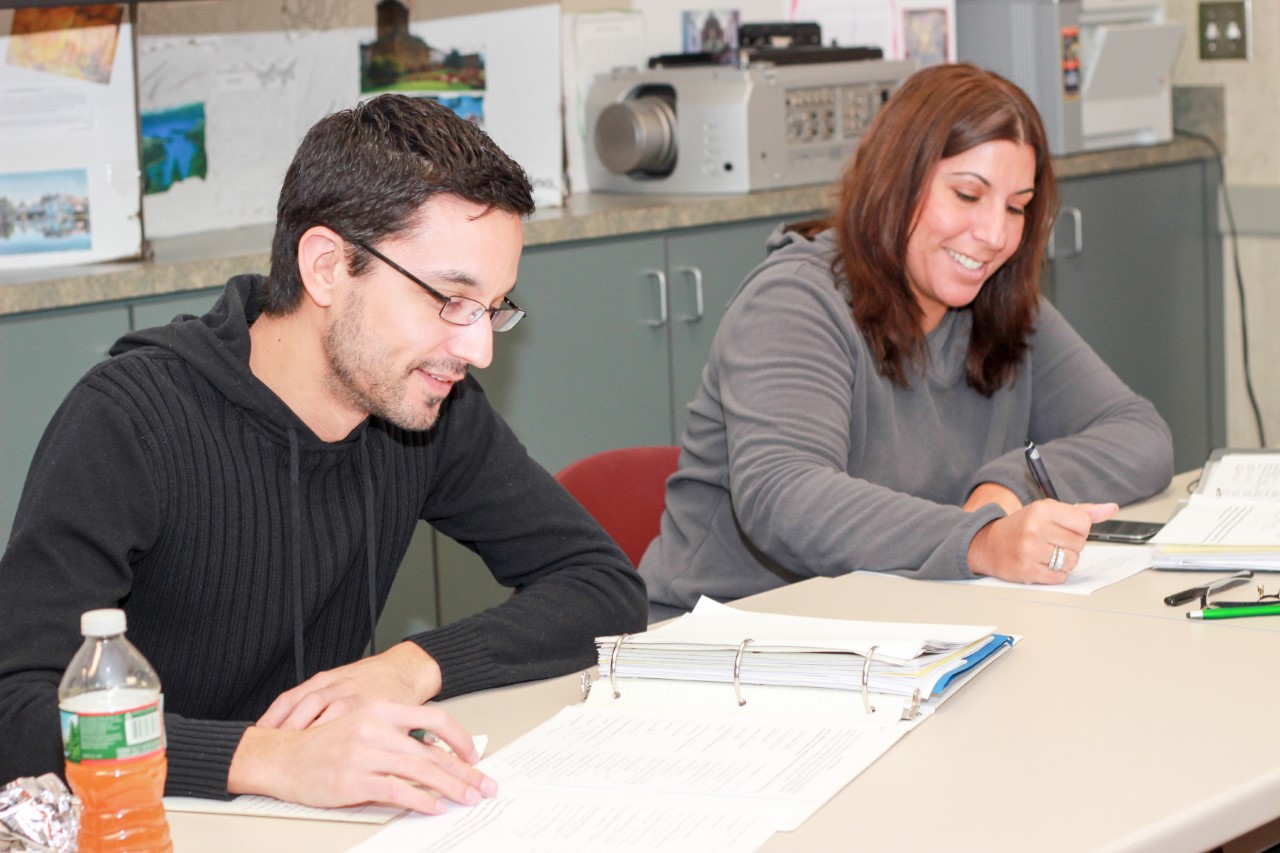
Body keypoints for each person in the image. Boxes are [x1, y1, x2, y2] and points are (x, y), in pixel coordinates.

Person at [0, 94, 647, 812]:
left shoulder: (428, 406)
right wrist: (266, 757)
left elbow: (601, 585)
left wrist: (411, 667)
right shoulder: (130, 421)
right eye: (450, 299)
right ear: (328, 266)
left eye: (492, 309)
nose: (479, 349)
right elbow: (15, 712)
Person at [639, 63, 1174, 621]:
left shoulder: (999, 305)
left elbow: (1141, 436)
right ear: (896, 180)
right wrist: (980, 540)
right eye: (967, 194)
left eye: (1016, 206)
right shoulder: (794, 299)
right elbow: (785, 493)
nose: (995, 234)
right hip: (727, 639)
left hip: (900, 628)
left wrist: (1010, 485)